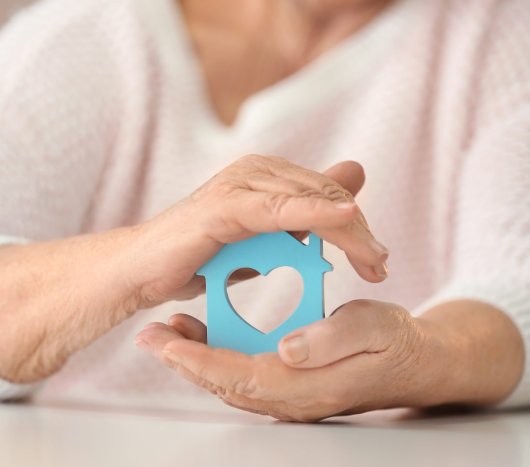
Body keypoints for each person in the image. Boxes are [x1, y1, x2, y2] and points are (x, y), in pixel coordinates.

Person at [0, 0, 528, 421]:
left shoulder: (503, 36)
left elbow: (515, 286)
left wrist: (423, 356)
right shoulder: (79, 36)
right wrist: (140, 261)